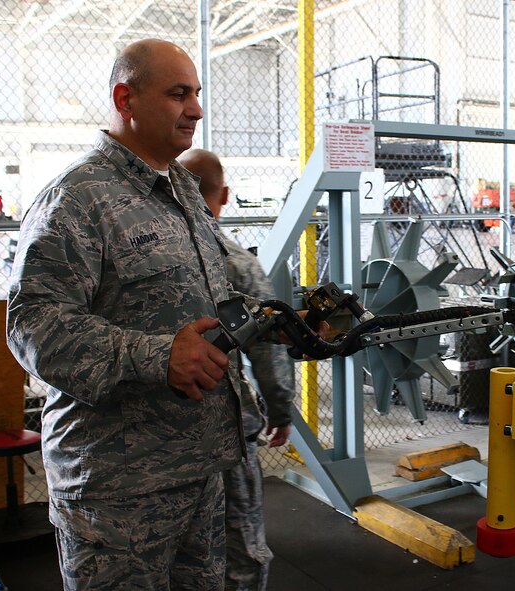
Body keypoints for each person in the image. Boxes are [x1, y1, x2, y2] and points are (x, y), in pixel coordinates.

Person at [7, 39, 246, 590]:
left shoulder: (182, 189)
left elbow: (204, 300)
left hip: (195, 468)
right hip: (116, 491)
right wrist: (159, 356)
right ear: (126, 99)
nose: (197, 109)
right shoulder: (76, 199)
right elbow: (34, 326)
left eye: (197, 94)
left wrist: (278, 321)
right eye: (178, 94)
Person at [178, 149, 294, 590]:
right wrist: (280, 412)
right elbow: (267, 351)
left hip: (159, 437)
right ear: (224, 194)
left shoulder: (146, 261)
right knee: (239, 540)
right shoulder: (237, 263)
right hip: (225, 430)